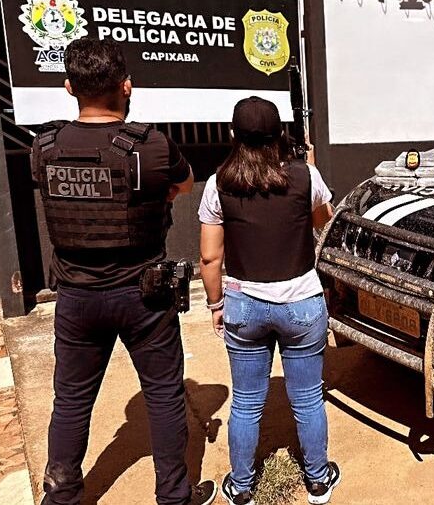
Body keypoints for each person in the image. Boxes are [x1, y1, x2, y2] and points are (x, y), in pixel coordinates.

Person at [32, 38, 216, 505]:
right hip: (144, 296)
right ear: (126, 87)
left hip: (74, 296)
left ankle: (61, 497)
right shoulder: (149, 145)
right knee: (163, 394)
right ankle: (175, 496)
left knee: (71, 400)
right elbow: (185, 181)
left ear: (69, 86)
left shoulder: (45, 146)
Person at [198, 97, 338, 505]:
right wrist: (308, 173)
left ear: (231, 135)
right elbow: (322, 222)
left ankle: (241, 487)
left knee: (245, 402)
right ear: (279, 135)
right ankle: (317, 480)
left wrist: (214, 304)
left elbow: (210, 257)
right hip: (302, 303)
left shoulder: (217, 182)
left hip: (244, 304)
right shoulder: (304, 175)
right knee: (309, 398)